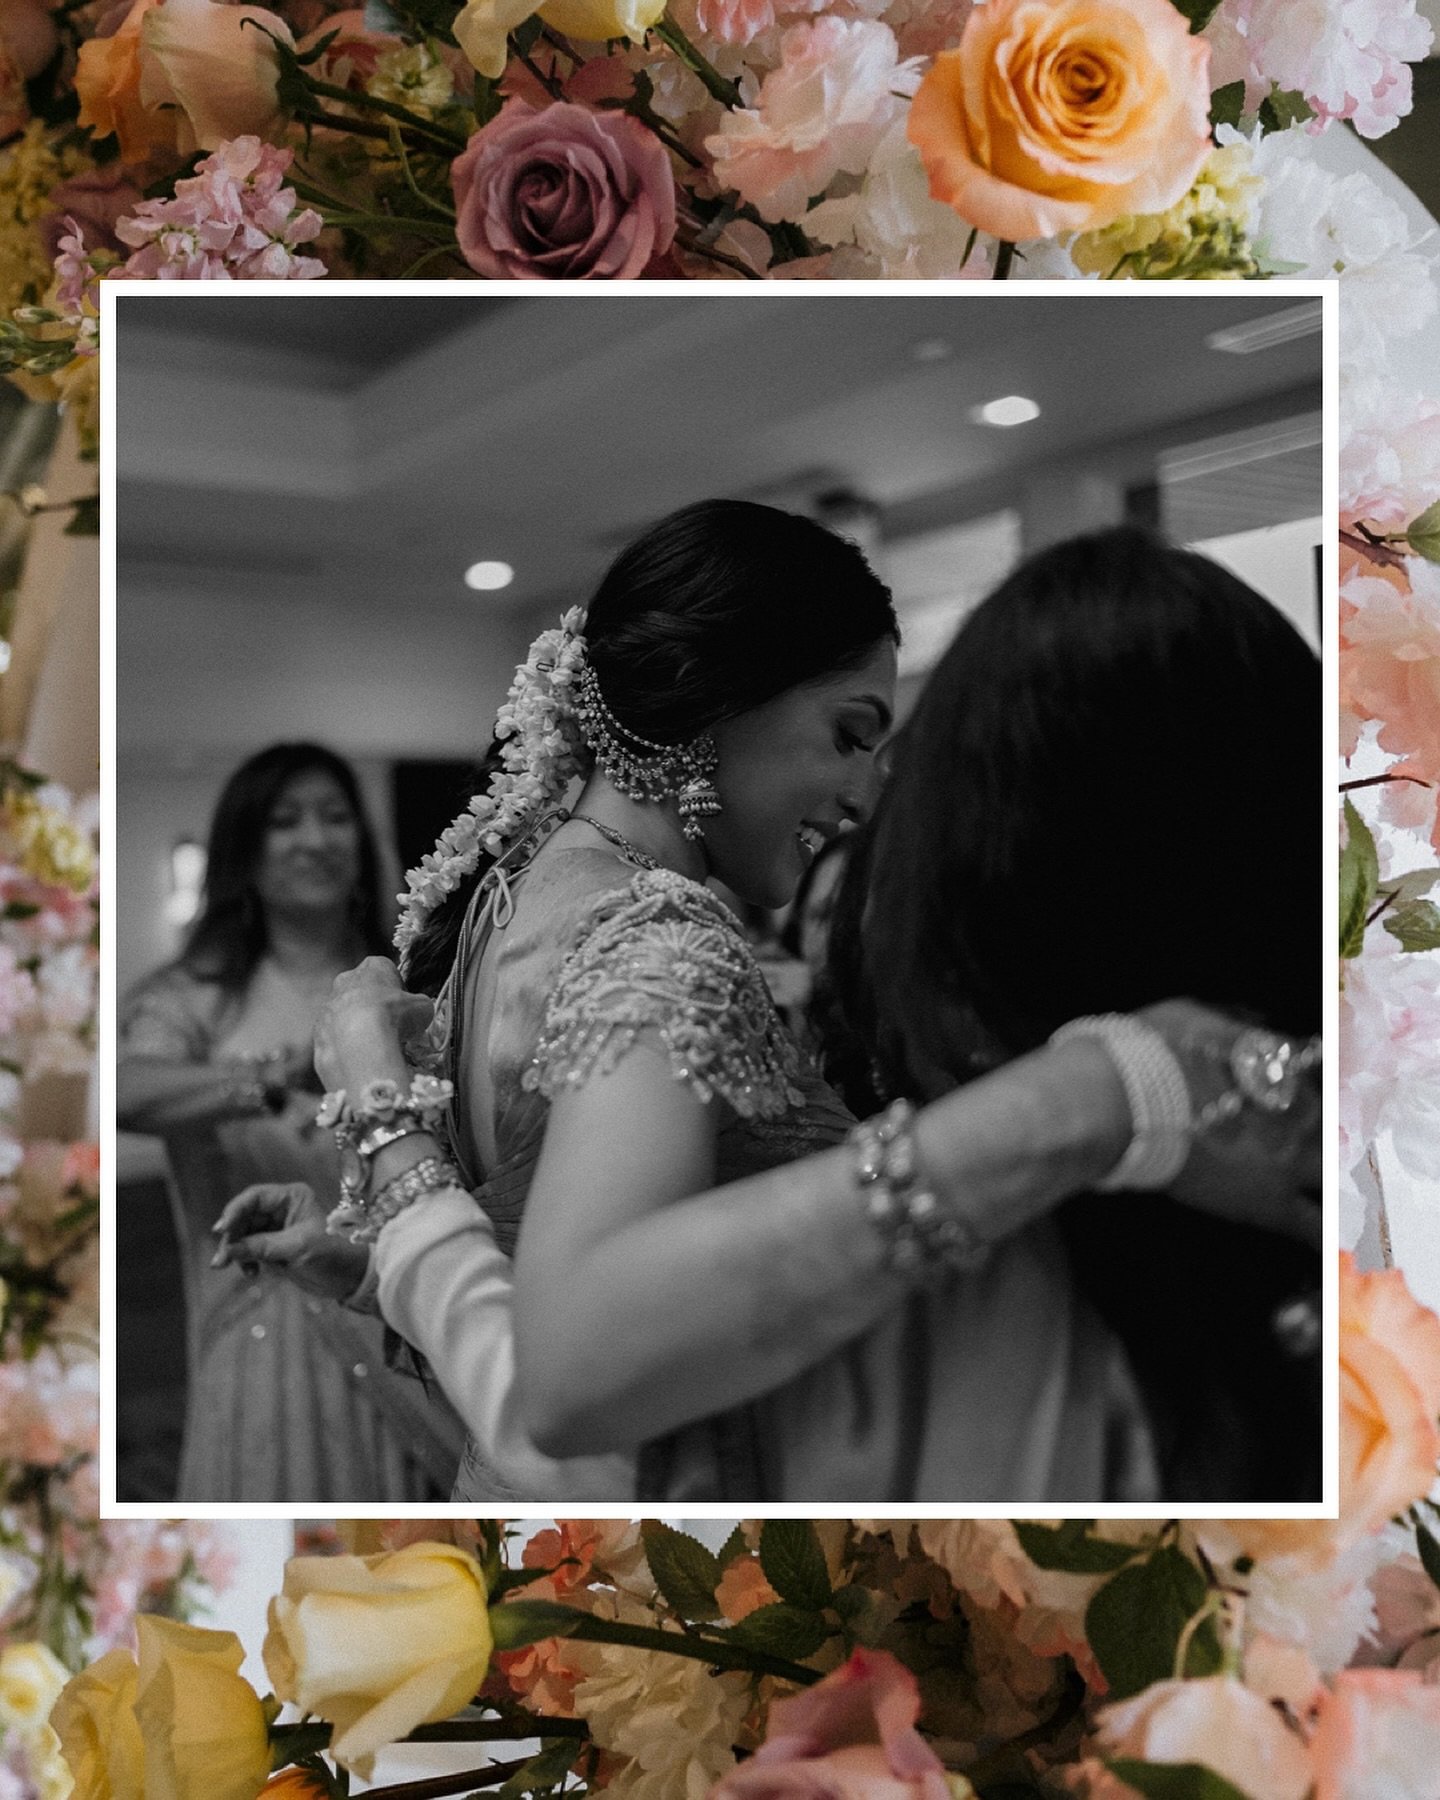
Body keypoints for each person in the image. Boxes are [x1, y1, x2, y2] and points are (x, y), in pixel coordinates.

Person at [219, 505, 1320, 1504]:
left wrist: (377, 1264)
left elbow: (527, 1275)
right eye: (850, 733)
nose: (866, 795)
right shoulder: (654, 940)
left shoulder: (510, 899)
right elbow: (576, 1368)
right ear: (714, 706)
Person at [118, 742, 464, 1502]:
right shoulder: (199, 998)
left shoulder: (407, 979)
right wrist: (272, 1077)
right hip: (266, 1326)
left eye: (336, 817)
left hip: (411, 1314)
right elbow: (123, 1091)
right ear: (245, 847)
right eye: (286, 821)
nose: (316, 838)